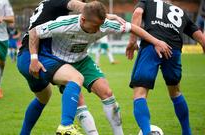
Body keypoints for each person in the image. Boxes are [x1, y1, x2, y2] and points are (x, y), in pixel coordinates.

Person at [24, 1, 172, 135]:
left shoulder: (104, 24)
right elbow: (34, 32)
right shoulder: (64, 23)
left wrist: (156, 42)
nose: (98, 30)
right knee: (78, 101)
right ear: (82, 19)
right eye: (95, 26)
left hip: (82, 60)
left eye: (100, 25)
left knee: (107, 92)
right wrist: (34, 59)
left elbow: (133, 27)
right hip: (61, 62)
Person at [17, 0, 126, 134]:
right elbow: (80, 6)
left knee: (43, 98)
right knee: (75, 78)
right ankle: (66, 126)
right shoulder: (59, 2)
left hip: (25, 56)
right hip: (36, 56)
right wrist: (104, 16)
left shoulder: (46, 4)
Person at [126, 0, 205, 135]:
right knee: (175, 92)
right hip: (174, 50)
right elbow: (198, 34)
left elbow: (138, 12)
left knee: (140, 94)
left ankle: (147, 132)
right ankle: (187, 132)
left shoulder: (148, 2)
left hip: (152, 45)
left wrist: (132, 41)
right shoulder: (180, 12)